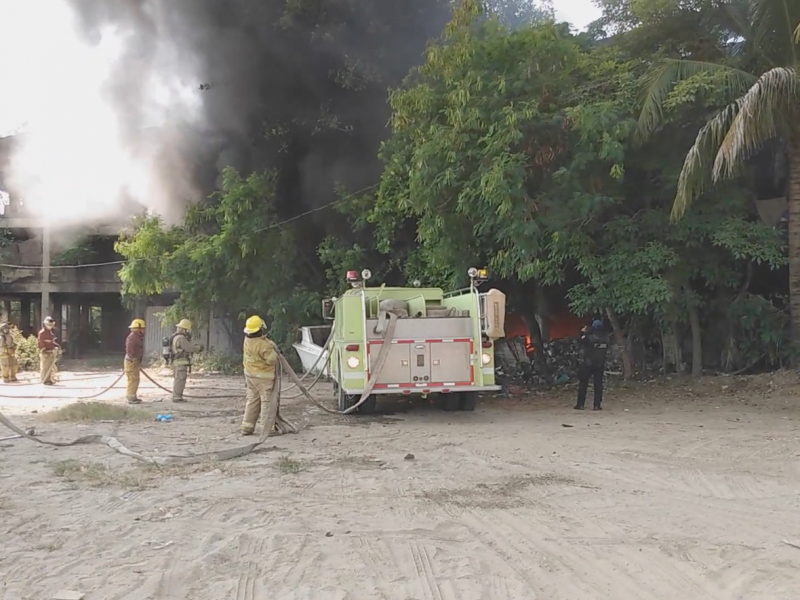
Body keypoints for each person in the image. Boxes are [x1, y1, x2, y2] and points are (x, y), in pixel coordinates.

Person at [240, 315, 278, 436]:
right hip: (263, 378)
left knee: (252, 400)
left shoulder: (247, 341)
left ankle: (247, 427)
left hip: (250, 375)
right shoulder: (264, 345)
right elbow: (272, 360)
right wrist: (273, 349)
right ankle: (267, 429)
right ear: (261, 329)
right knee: (267, 401)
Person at [575, 319, 609, 411]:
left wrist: (582, 332)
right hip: (600, 364)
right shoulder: (606, 339)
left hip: (588, 364)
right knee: (598, 385)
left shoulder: (589, 338)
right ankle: (597, 405)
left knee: (583, 383)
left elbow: (579, 339)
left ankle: (580, 404)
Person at [171, 318, 203, 402]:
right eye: (188, 330)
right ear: (184, 329)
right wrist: (198, 348)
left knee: (178, 379)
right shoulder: (181, 338)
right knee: (180, 380)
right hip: (180, 363)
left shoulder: (176, 337)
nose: (189, 332)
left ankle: (177, 396)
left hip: (177, 363)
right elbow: (189, 348)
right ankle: (177, 397)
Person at [124, 318, 146, 404]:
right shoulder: (132, 337)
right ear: (138, 328)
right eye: (142, 328)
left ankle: (133, 396)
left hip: (134, 361)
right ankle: (130, 397)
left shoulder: (136, 337)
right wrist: (133, 359)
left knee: (135, 379)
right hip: (131, 362)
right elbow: (129, 349)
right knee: (132, 379)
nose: (143, 330)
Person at [37, 316, 60, 385]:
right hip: (45, 353)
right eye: (48, 325)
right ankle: (44, 379)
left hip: (51, 352)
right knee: (45, 367)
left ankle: (49, 379)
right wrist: (44, 350)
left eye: (51, 325)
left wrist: (57, 346)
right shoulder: (42, 333)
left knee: (50, 367)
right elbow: (40, 342)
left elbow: (51, 341)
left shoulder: (50, 333)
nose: (50, 326)